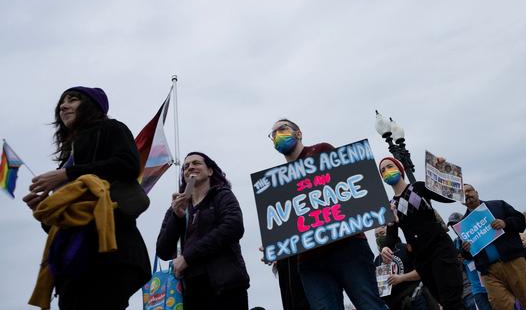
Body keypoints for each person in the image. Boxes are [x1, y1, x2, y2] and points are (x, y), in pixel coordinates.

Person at [24, 86, 151, 309]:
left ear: (92, 106)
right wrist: (46, 210)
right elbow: (67, 221)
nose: (64, 106)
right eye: (62, 103)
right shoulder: (67, 158)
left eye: (73, 100)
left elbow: (128, 165)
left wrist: (67, 174)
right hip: (74, 261)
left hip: (111, 252)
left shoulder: (111, 128)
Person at [269, 119, 386, 310]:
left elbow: (353, 185)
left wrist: (378, 208)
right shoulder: (278, 182)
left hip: (348, 248)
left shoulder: (321, 150)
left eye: (282, 129)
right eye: (273, 134)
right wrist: (276, 241)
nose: (277, 135)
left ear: (298, 133)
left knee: (370, 304)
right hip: (310, 262)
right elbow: (286, 219)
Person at [157, 152, 250, 309]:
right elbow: (163, 250)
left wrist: (188, 257)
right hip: (189, 292)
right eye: (186, 166)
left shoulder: (222, 196)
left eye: (196, 163)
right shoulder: (176, 208)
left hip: (225, 287)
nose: (190, 167)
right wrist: (177, 217)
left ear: (210, 171)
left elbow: (233, 227)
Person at [379, 157, 464, 309]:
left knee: (452, 300)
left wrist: (443, 168)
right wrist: (385, 247)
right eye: (383, 170)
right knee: (443, 301)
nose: (386, 171)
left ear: (400, 169)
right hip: (422, 260)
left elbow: (452, 195)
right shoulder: (391, 205)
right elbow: (391, 236)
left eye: (389, 166)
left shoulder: (418, 188)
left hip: (440, 249)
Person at [460, 184, 526, 310]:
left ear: (477, 192)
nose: (467, 195)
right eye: (462, 193)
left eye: (469, 191)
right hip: (489, 271)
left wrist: (505, 223)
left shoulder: (497, 205)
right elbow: (467, 254)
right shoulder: (463, 224)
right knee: (501, 305)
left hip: (513, 262)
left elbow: (520, 222)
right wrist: (465, 249)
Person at [374, 226, 435, 310]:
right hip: (397, 305)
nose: (380, 237)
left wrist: (401, 278)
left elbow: (423, 271)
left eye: (382, 233)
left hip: (417, 298)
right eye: (377, 236)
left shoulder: (404, 248)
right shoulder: (378, 260)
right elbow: (381, 290)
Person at [448, 212, 493, 310]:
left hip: (491, 282)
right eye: (452, 225)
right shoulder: (455, 243)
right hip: (476, 289)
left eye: (456, 224)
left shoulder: (477, 235)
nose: (454, 227)